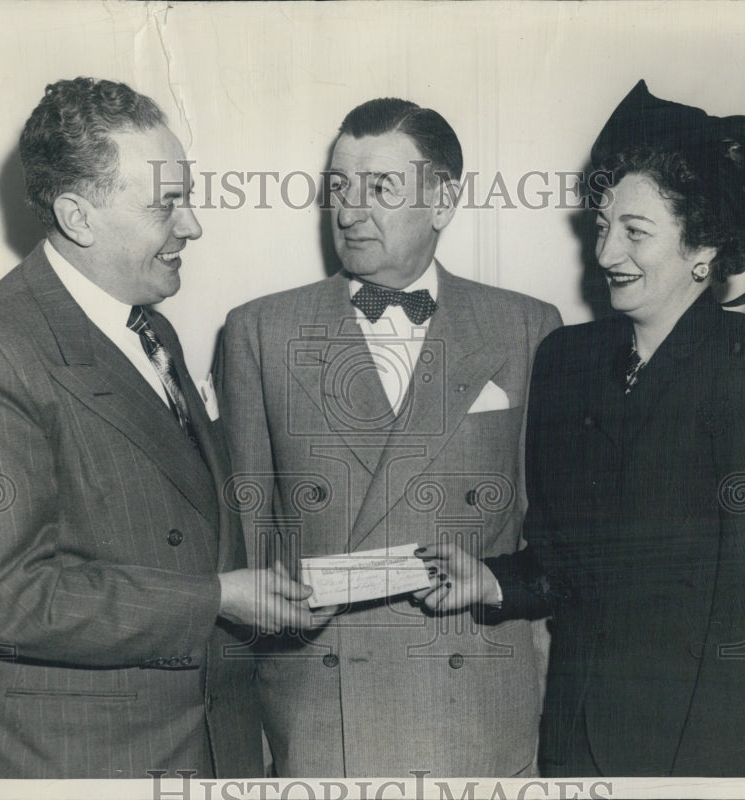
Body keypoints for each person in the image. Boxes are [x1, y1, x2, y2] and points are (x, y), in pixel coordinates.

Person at [0, 77, 322, 779]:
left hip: (200, 745)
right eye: (166, 205)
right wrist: (220, 596)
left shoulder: (149, 328)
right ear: (78, 216)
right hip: (80, 763)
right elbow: (6, 598)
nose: (192, 226)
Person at [416, 80, 745, 777]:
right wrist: (491, 580)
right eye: (601, 226)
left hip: (703, 754)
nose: (605, 253)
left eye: (635, 232)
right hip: (575, 745)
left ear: (703, 249)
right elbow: (565, 565)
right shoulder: (567, 358)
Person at [217, 97, 562, 778]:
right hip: (323, 705)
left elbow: (544, 538)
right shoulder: (262, 332)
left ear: (442, 201)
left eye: (380, 188)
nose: (349, 211)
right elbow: (250, 532)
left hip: (478, 706)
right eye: (339, 187)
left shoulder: (526, 327)